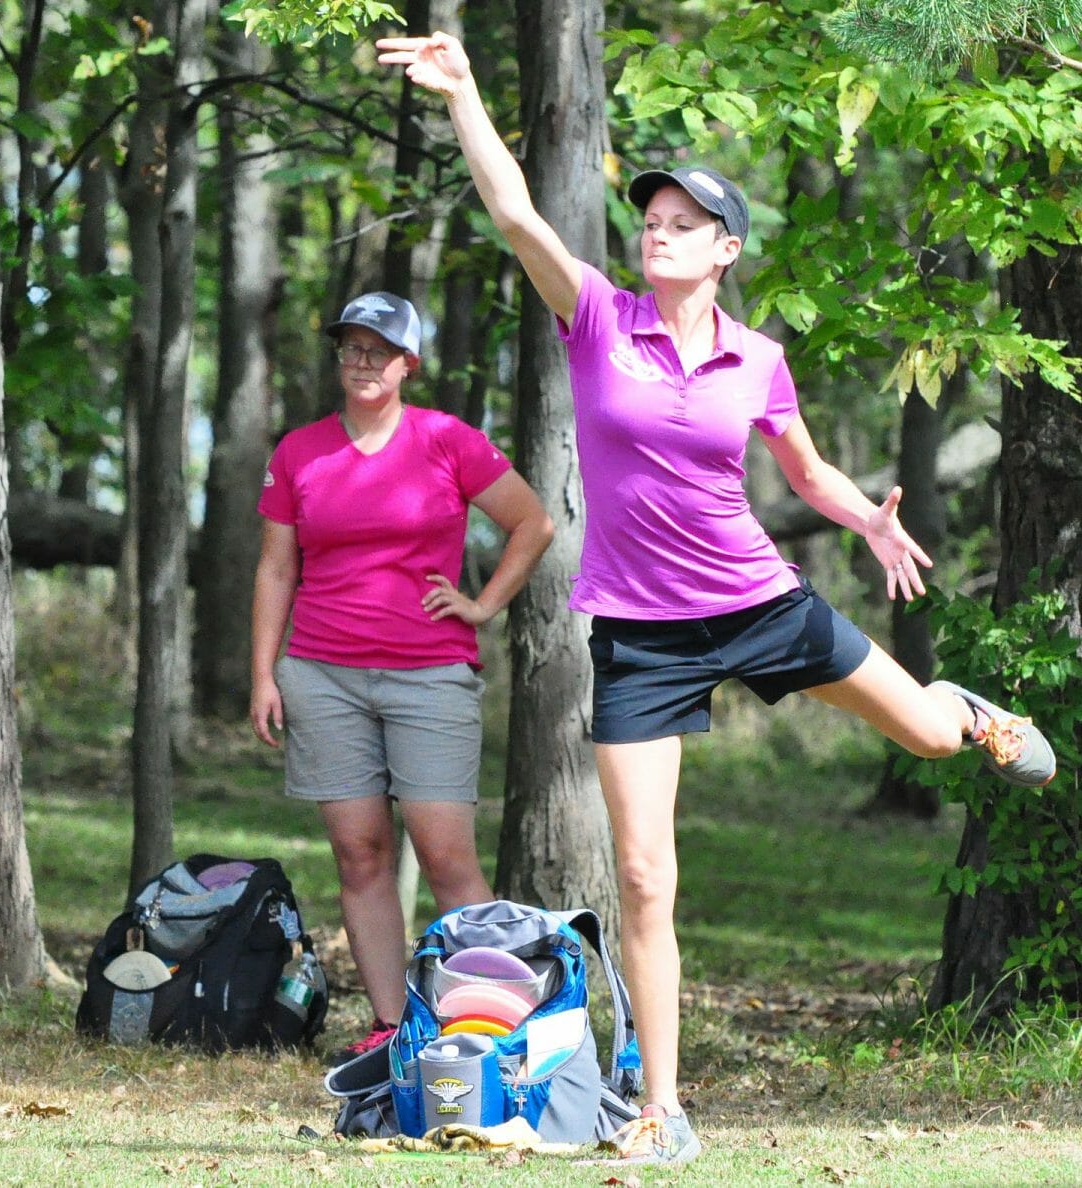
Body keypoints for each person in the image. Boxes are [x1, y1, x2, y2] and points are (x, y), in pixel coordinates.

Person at [376, 31, 1057, 1166]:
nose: (657, 231)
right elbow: (518, 221)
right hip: (642, 637)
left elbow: (800, 471)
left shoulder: (758, 358)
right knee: (646, 874)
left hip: (759, 603)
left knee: (934, 738)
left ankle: (976, 711)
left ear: (726, 249)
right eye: (650, 219)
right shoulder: (598, 320)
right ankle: (664, 1109)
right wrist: (461, 98)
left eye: (683, 224)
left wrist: (868, 520)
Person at [250, 290, 555, 1063]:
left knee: (448, 854)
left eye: (378, 351)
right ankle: (391, 1027)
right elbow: (276, 568)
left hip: (429, 675)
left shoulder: (448, 440)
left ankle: (492, 1026)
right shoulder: (300, 452)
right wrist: (264, 673)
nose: (361, 362)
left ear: (407, 364)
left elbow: (533, 522)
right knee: (360, 853)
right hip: (322, 674)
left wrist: (484, 605)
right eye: (350, 347)